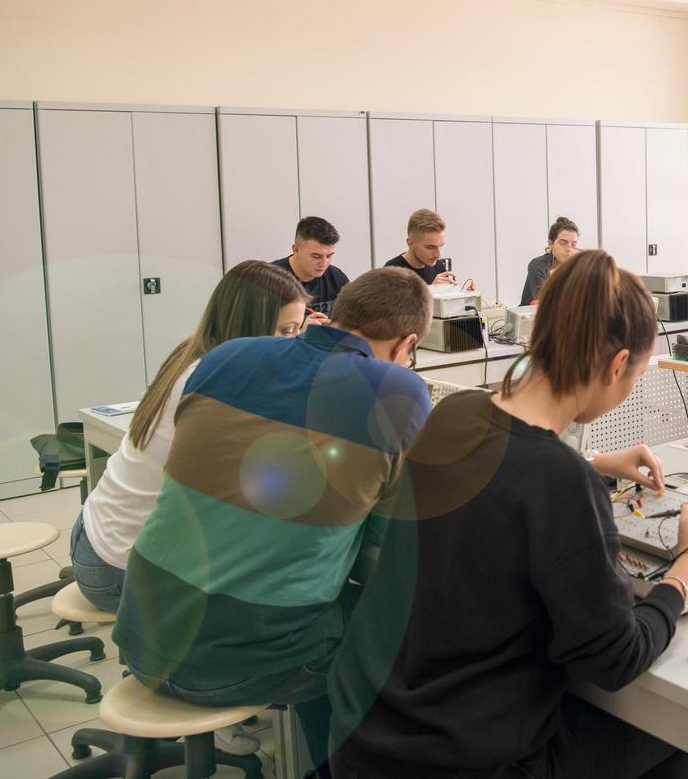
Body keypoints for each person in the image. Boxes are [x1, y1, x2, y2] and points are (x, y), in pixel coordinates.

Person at [329, 251, 688, 779]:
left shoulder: (453, 413)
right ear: (616, 365)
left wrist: (596, 465)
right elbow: (615, 659)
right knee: (680, 737)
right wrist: (684, 568)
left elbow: (509, 478)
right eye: (635, 376)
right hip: (457, 761)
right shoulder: (559, 481)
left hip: (362, 732)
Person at [112, 267, 435, 774]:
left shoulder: (224, 356)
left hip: (140, 632)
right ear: (406, 344)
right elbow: (385, 550)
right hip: (241, 665)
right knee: (390, 621)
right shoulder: (398, 394)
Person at [70, 260, 308, 613]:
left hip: (96, 533)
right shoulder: (217, 385)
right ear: (250, 326)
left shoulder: (198, 351)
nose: (293, 344)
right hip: (117, 570)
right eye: (286, 331)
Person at [274, 216, 351, 323]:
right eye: (316, 256)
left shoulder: (336, 277)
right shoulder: (270, 279)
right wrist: (300, 331)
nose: (324, 264)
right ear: (296, 250)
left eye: (329, 256)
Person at [384, 208, 459, 286]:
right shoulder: (391, 272)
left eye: (441, 246)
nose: (438, 255)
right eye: (430, 247)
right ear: (410, 243)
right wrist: (431, 291)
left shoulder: (438, 266)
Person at [520, 216, 580, 305]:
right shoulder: (537, 265)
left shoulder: (579, 267)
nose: (569, 249)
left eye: (574, 244)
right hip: (533, 315)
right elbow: (543, 299)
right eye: (563, 243)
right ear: (551, 244)